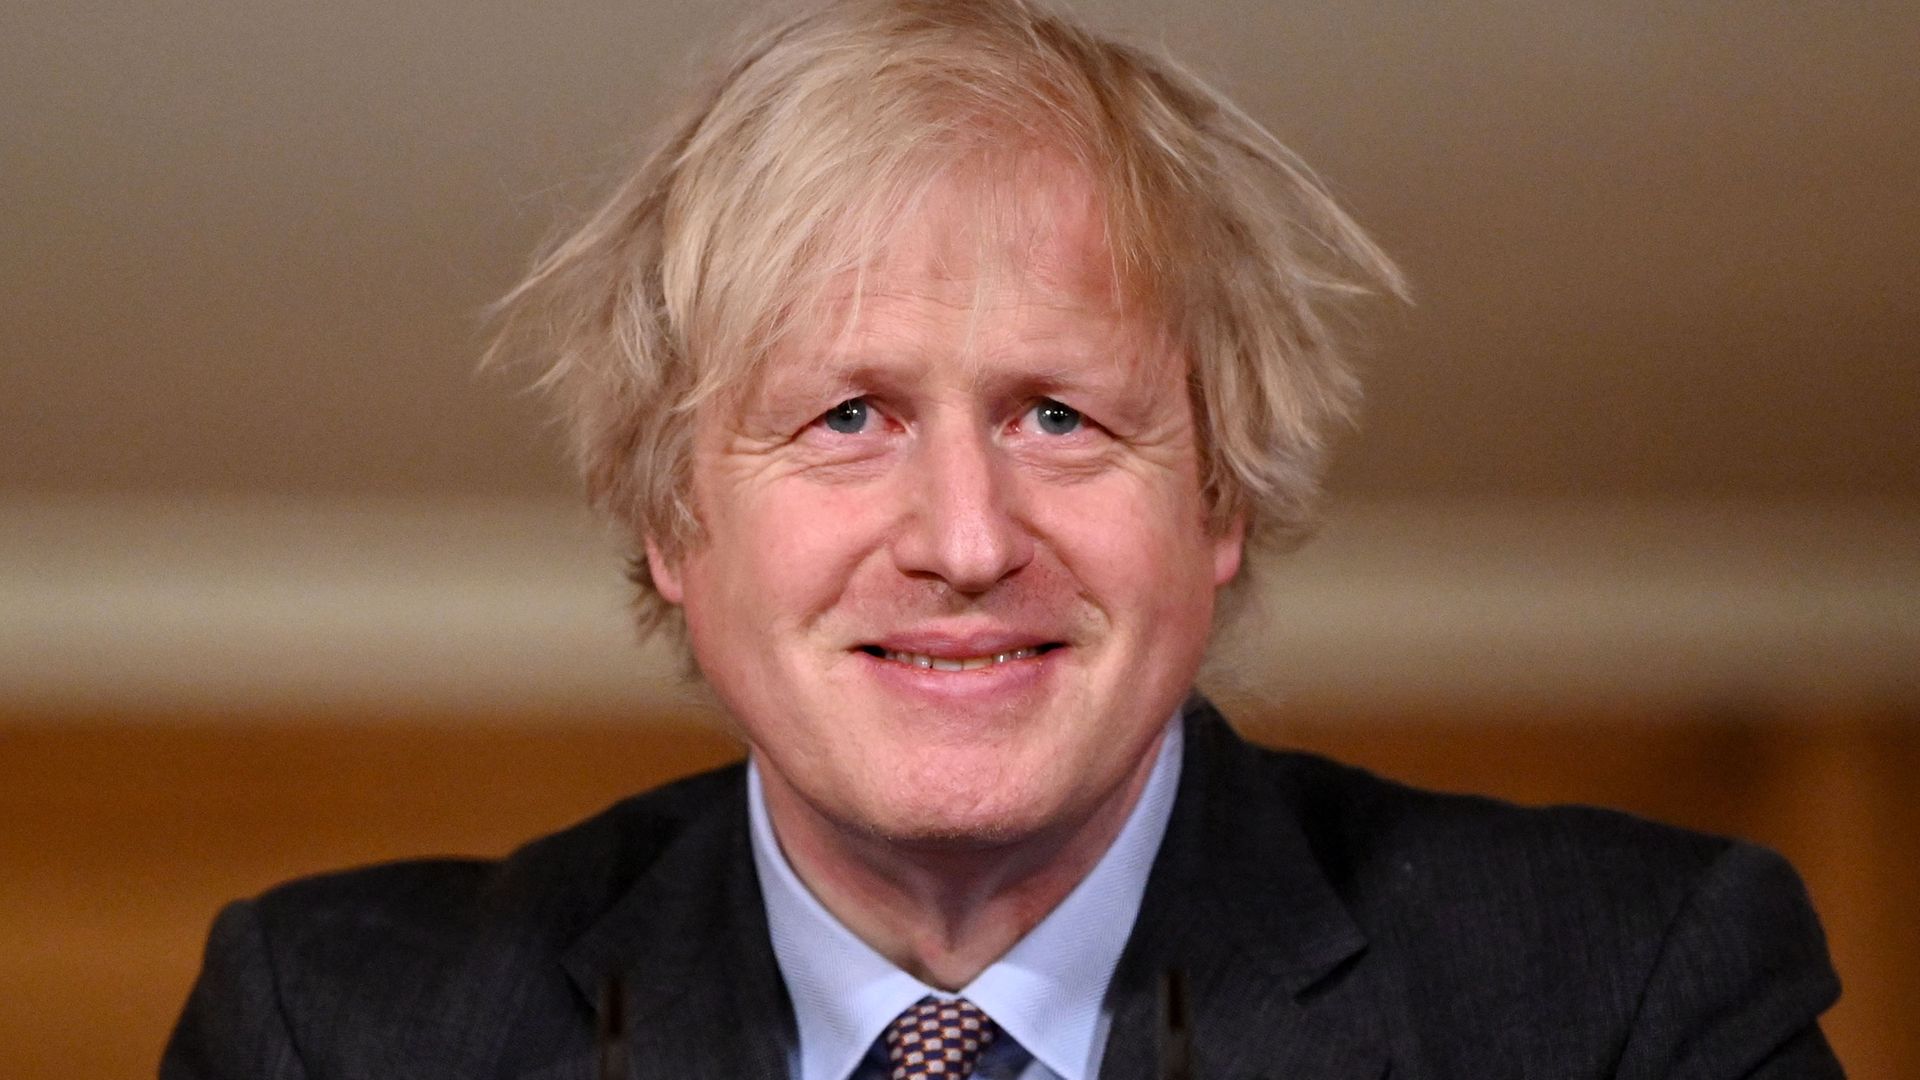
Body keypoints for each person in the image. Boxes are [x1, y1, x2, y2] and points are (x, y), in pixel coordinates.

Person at [163, 1, 1843, 1077]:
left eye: (1062, 415)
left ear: (1223, 500)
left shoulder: (1628, 1002)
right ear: (674, 518)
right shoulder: (332, 1028)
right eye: (846, 418)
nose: (966, 540)